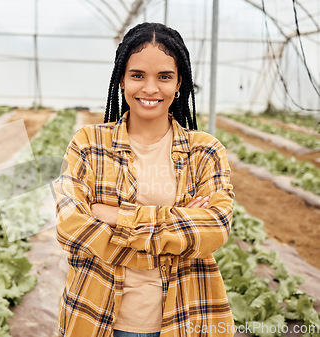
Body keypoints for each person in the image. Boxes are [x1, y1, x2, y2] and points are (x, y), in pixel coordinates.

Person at [52, 22, 235, 337]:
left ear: (179, 84)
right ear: (121, 79)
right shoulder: (89, 143)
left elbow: (215, 228)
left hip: (184, 318)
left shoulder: (205, 151)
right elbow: (69, 226)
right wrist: (175, 229)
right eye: (138, 75)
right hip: (98, 316)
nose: (150, 89)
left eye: (164, 77)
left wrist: (114, 216)